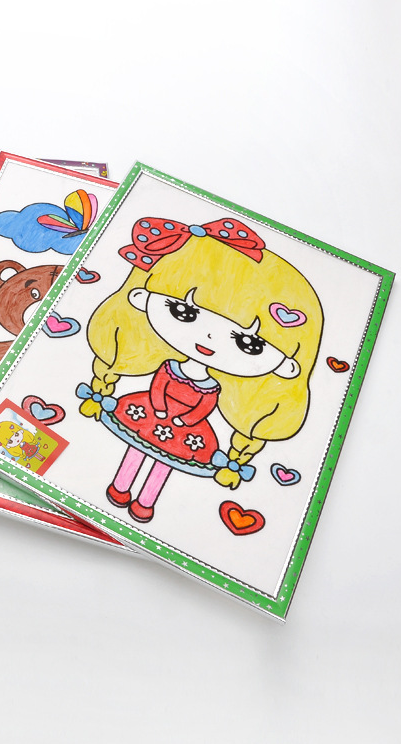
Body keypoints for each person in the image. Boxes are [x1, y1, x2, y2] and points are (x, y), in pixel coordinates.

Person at [78, 217, 322, 523]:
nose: (208, 339)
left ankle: (145, 502)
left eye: (248, 343)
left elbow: (205, 405)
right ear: (141, 298)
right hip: (150, 411)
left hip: (187, 430)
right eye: (183, 311)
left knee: (164, 464)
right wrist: (159, 406)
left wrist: (186, 419)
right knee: (136, 449)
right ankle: (120, 487)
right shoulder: (170, 366)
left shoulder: (212, 387)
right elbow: (159, 385)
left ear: (287, 365)